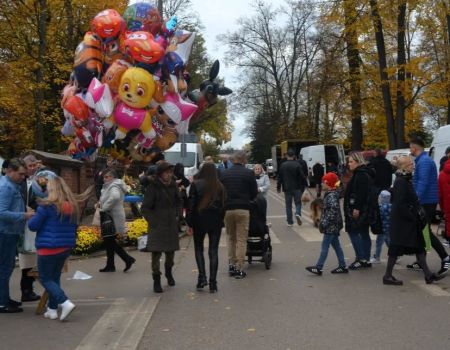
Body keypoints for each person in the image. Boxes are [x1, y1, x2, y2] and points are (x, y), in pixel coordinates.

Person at [28, 176, 87, 320]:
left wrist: (31, 216)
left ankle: (65, 302)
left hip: (47, 248)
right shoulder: (72, 206)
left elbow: (33, 226)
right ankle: (52, 310)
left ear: (52, 189)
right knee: (54, 278)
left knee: (45, 278)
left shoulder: (46, 206)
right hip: (65, 248)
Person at [383, 156, 445, 285]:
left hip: (408, 221)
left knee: (419, 247)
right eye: (411, 164)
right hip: (403, 222)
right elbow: (399, 204)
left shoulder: (405, 179)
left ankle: (428, 275)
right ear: (404, 166)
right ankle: (387, 276)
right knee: (396, 248)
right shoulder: (401, 181)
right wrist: (412, 216)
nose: (413, 166)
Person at [408, 137, 450, 274]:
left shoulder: (424, 162)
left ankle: (445, 258)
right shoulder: (422, 161)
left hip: (426, 202)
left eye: (410, 147)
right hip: (426, 201)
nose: (410, 150)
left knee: (425, 232)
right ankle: (421, 261)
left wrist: (416, 199)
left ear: (415, 148)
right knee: (422, 232)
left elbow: (423, 183)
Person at [0, 159, 34, 313]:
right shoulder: (6, 187)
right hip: (5, 233)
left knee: (6, 268)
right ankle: (2, 303)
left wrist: (23, 207)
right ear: (10, 171)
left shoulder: (12, 184)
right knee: (4, 268)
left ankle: (4, 298)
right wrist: (24, 215)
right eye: (20, 174)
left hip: (9, 232)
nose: (23, 177)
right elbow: (2, 213)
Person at [141, 161, 180, 293]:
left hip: (170, 224)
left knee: (170, 254)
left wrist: (177, 215)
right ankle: (156, 280)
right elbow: (145, 208)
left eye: (170, 172)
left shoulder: (174, 186)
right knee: (156, 254)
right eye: (166, 172)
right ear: (160, 174)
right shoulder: (153, 187)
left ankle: (169, 273)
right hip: (157, 225)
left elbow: (179, 201)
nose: (169, 175)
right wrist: (153, 221)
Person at [186, 163, 226, 292]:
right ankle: (213, 282)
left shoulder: (196, 184)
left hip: (199, 220)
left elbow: (191, 206)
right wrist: (220, 218)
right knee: (213, 251)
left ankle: (202, 278)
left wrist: (189, 223)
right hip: (215, 221)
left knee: (199, 249)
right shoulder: (219, 186)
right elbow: (224, 205)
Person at [220, 151, 258, 279]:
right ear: (244, 160)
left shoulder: (224, 174)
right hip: (243, 209)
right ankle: (239, 268)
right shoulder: (248, 173)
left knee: (231, 238)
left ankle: (231, 264)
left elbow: (220, 192)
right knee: (241, 239)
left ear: (233, 160)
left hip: (228, 209)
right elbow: (254, 193)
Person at [305, 172, 348, 275]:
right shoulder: (331, 194)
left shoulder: (331, 196)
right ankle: (343, 266)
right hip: (333, 226)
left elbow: (332, 213)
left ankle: (319, 267)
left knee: (325, 247)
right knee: (337, 247)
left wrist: (323, 223)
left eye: (323, 182)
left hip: (330, 227)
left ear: (327, 183)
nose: (321, 184)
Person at [98, 169, 135, 273]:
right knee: (109, 242)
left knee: (110, 241)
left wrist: (104, 207)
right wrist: (100, 203)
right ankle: (111, 265)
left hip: (112, 218)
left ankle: (127, 259)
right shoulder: (111, 186)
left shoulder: (113, 186)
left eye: (107, 177)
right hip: (112, 217)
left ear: (113, 177)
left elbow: (115, 197)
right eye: (104, 177)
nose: (104, 178)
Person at [344, 152, 374, 269]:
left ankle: (361, 258)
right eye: (349, 161)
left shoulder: (360, 174)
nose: (349, 164)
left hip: (359, 209)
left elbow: (361, 193)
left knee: (354, 232)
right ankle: (365, 259)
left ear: (358, 162)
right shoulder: (363, 173)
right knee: (364, 233)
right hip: (365, 209)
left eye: (351, 162)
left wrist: (357, 208)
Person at [18, 154, 41, 302]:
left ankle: (29, 288)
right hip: (23, 222)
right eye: (29, 167)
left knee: (33, 258)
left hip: (34, 220)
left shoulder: (40, 179)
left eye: (34, 166)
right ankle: (26, 290)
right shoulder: (20, 181)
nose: (32, 169)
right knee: (26, 259)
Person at [277, 149, 307, 227]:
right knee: (298, 203)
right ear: (294, 156)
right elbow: (303, 176)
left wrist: (278, 187)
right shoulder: (297, 165)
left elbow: (279, 177)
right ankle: (297, 213)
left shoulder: (283, 165)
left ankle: (290, 222)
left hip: (287, 188)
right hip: (297, 188)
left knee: (288, 205)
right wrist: (305, 185)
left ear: (287, 156)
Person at [370, 190, 391, 264]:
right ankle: (395, 255)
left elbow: (379, 217)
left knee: (379, 243)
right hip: (388, 228)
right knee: (388, 242)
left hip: (382, 228)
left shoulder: (381, 207)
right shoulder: (390, 206)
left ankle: (377, 257)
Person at [438, 158, 450, 247]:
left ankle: (426, 245)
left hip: (426, 202)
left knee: (425, 227)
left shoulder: (442, 175)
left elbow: (440, 194)